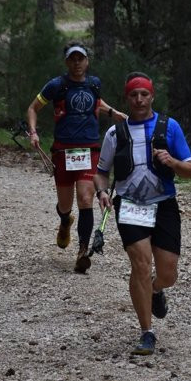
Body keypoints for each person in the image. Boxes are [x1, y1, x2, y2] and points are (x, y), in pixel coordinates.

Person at [93, 72, 191, 355]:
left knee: (168, 273)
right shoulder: (115, 133)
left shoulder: (169, 127)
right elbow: (101, 173)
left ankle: (156, 289)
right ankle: (146, 332)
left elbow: (190, 170)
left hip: (163, 204)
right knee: (140, 264)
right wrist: (102, 192)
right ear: (127, 98)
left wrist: (172, 161)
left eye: (144, 94)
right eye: (133, 95)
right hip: (130, 205)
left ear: (152, 96)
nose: (139, 100)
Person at [27, 42, 126, 274]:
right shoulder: (56, 86)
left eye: (81, 58)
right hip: (63, 152)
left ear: (87, 61)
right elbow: (33, 108)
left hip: (89, 150)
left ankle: (82, 251)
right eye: (73, 59)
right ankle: (65, 221)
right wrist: (33, 132)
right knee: (65, 204)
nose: (77, 63)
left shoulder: (94, 83)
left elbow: (96, 102)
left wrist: (113, 113)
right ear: (66, 62)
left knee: (84, 198)